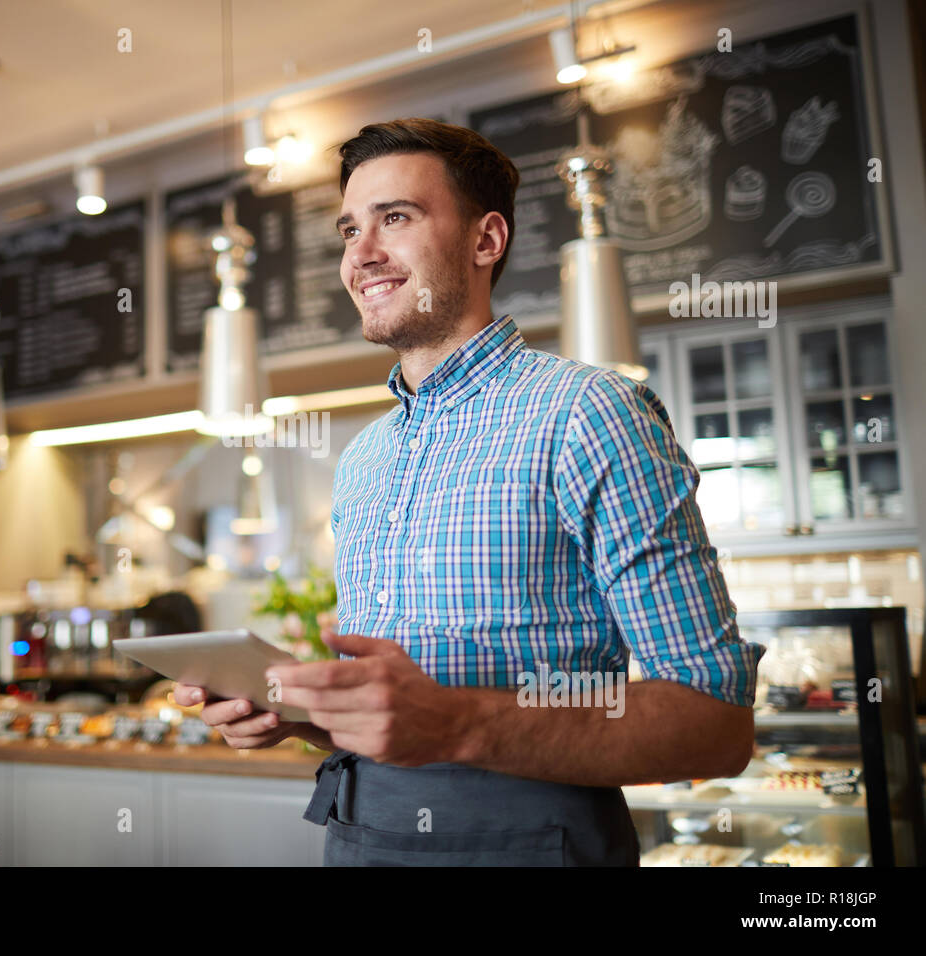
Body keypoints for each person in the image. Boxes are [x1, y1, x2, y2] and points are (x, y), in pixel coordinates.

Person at [176, 117, 765, 866]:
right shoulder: (364, 460)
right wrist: (307, 716)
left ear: (486, 241)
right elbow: (403, 717)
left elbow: (713, 721)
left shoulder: (589, 413)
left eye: (396, 218)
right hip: (357, 836)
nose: (361, 253)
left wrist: (459, 724)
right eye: (349, 229)